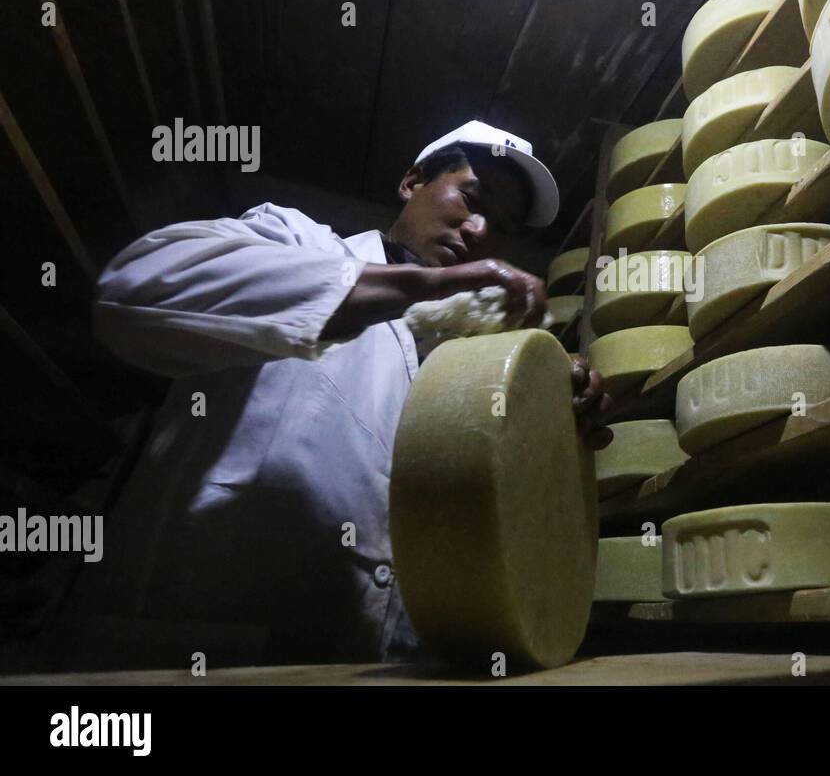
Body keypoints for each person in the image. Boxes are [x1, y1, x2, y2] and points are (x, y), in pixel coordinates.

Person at [63, 121, 612, 669]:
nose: (480, 229)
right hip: (189, 653)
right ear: (412, 181)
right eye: (473, 197)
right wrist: (417, 287)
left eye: (505, 225)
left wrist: (552, 425)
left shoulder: (473, 364)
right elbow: (131, 292)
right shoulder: (297, 239)